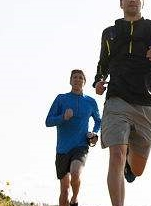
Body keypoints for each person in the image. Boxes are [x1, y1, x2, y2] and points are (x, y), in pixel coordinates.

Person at [92, 0, 151, 206]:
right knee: (116, 156)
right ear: (121, 3)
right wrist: (98, 81)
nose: (132, 0)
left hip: (145, 104)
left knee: (137, 170)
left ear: (142, 2)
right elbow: (103, 63)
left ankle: (131, 155)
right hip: (116, 100)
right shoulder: (109, 34)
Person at [45, 69, 102, 206]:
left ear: (84, 82)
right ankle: (69, 198)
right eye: (74, 77)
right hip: (63, 149)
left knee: (75, 172)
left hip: (81, 145)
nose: (77, 80)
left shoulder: (90, 102)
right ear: (70, 81)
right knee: (64, 190)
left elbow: (98, 121)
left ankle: (75, 198)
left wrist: (94, 132)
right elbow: (48, 121)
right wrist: (63, 117)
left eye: (80, 78)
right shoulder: (61, 99)